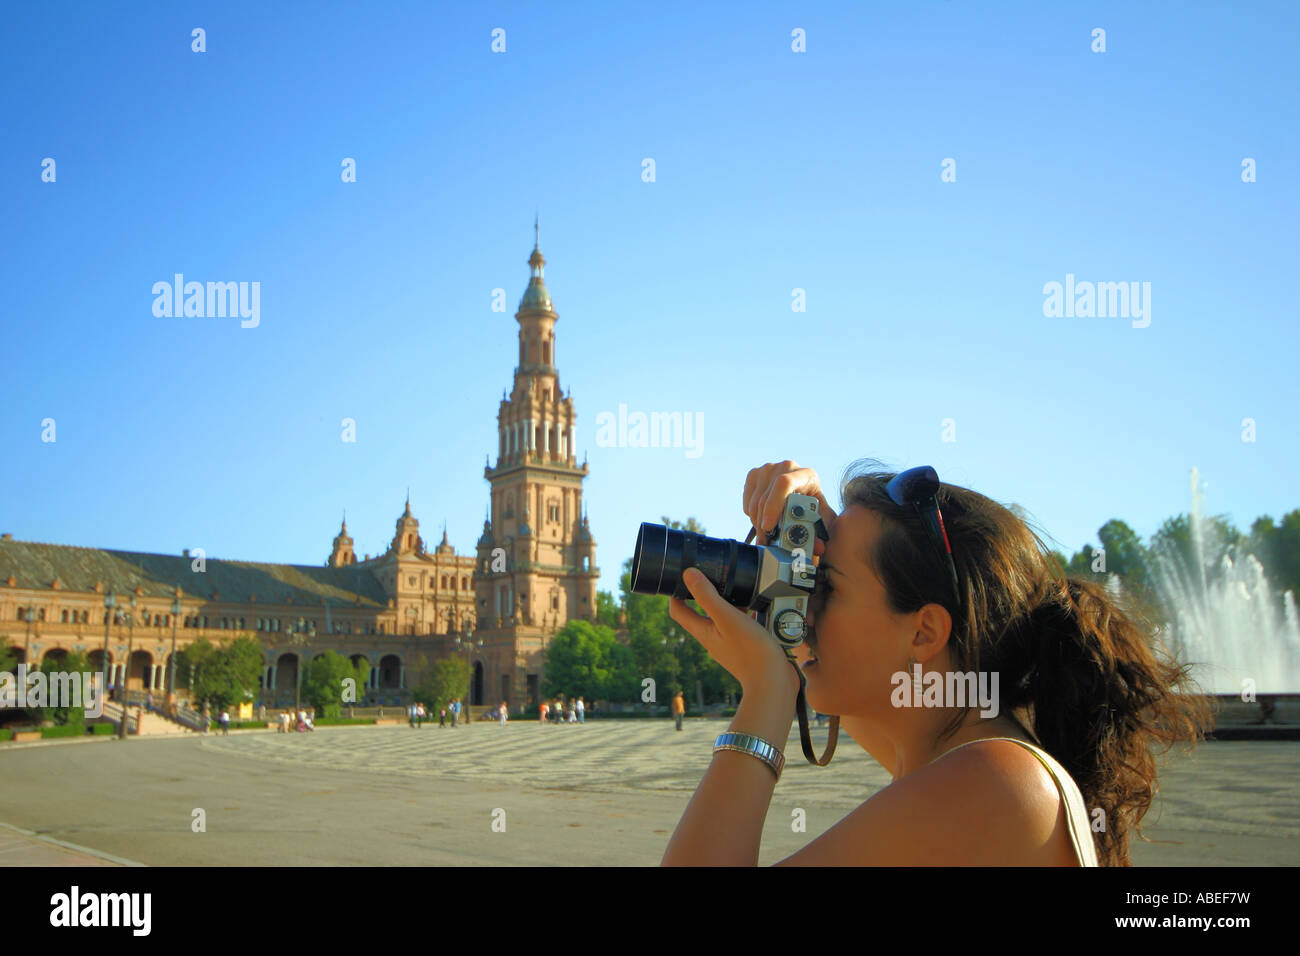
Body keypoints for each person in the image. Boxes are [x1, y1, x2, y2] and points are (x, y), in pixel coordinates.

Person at [660, 459, 1213, 866]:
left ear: (924, 631)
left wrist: (766, 691)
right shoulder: (954, 758)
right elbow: (882, 703)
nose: (804, 605)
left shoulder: (997, 784)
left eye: (824, 585)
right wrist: (805, 531)